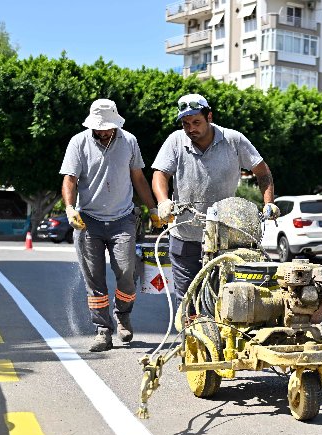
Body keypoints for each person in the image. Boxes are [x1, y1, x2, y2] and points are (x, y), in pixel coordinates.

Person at [151, 93, 279, 311]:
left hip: (224, 237)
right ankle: (190, 340)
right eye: (186, 124)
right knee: (187, 301)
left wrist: (269, 202)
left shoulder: (233, 140)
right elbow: (159, 175)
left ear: (209, 116)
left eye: (196, 122)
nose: (191, 128)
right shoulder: (175, 141)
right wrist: (163, 201)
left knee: (224, 298)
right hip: (185, 234)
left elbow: (262, 172)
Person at [60, 98, 163, 352]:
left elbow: (138, 178)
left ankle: (123, 315)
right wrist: (70, 208)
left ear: (116, 123)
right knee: (94, 279)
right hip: (89, 221)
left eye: (107, 127)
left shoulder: (129, 141)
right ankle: (102, 331)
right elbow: (69, 179)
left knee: (127, 273)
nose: (104, 132)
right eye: (99, 128)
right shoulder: (79, 142)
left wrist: (153, 209)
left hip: (123, 219)